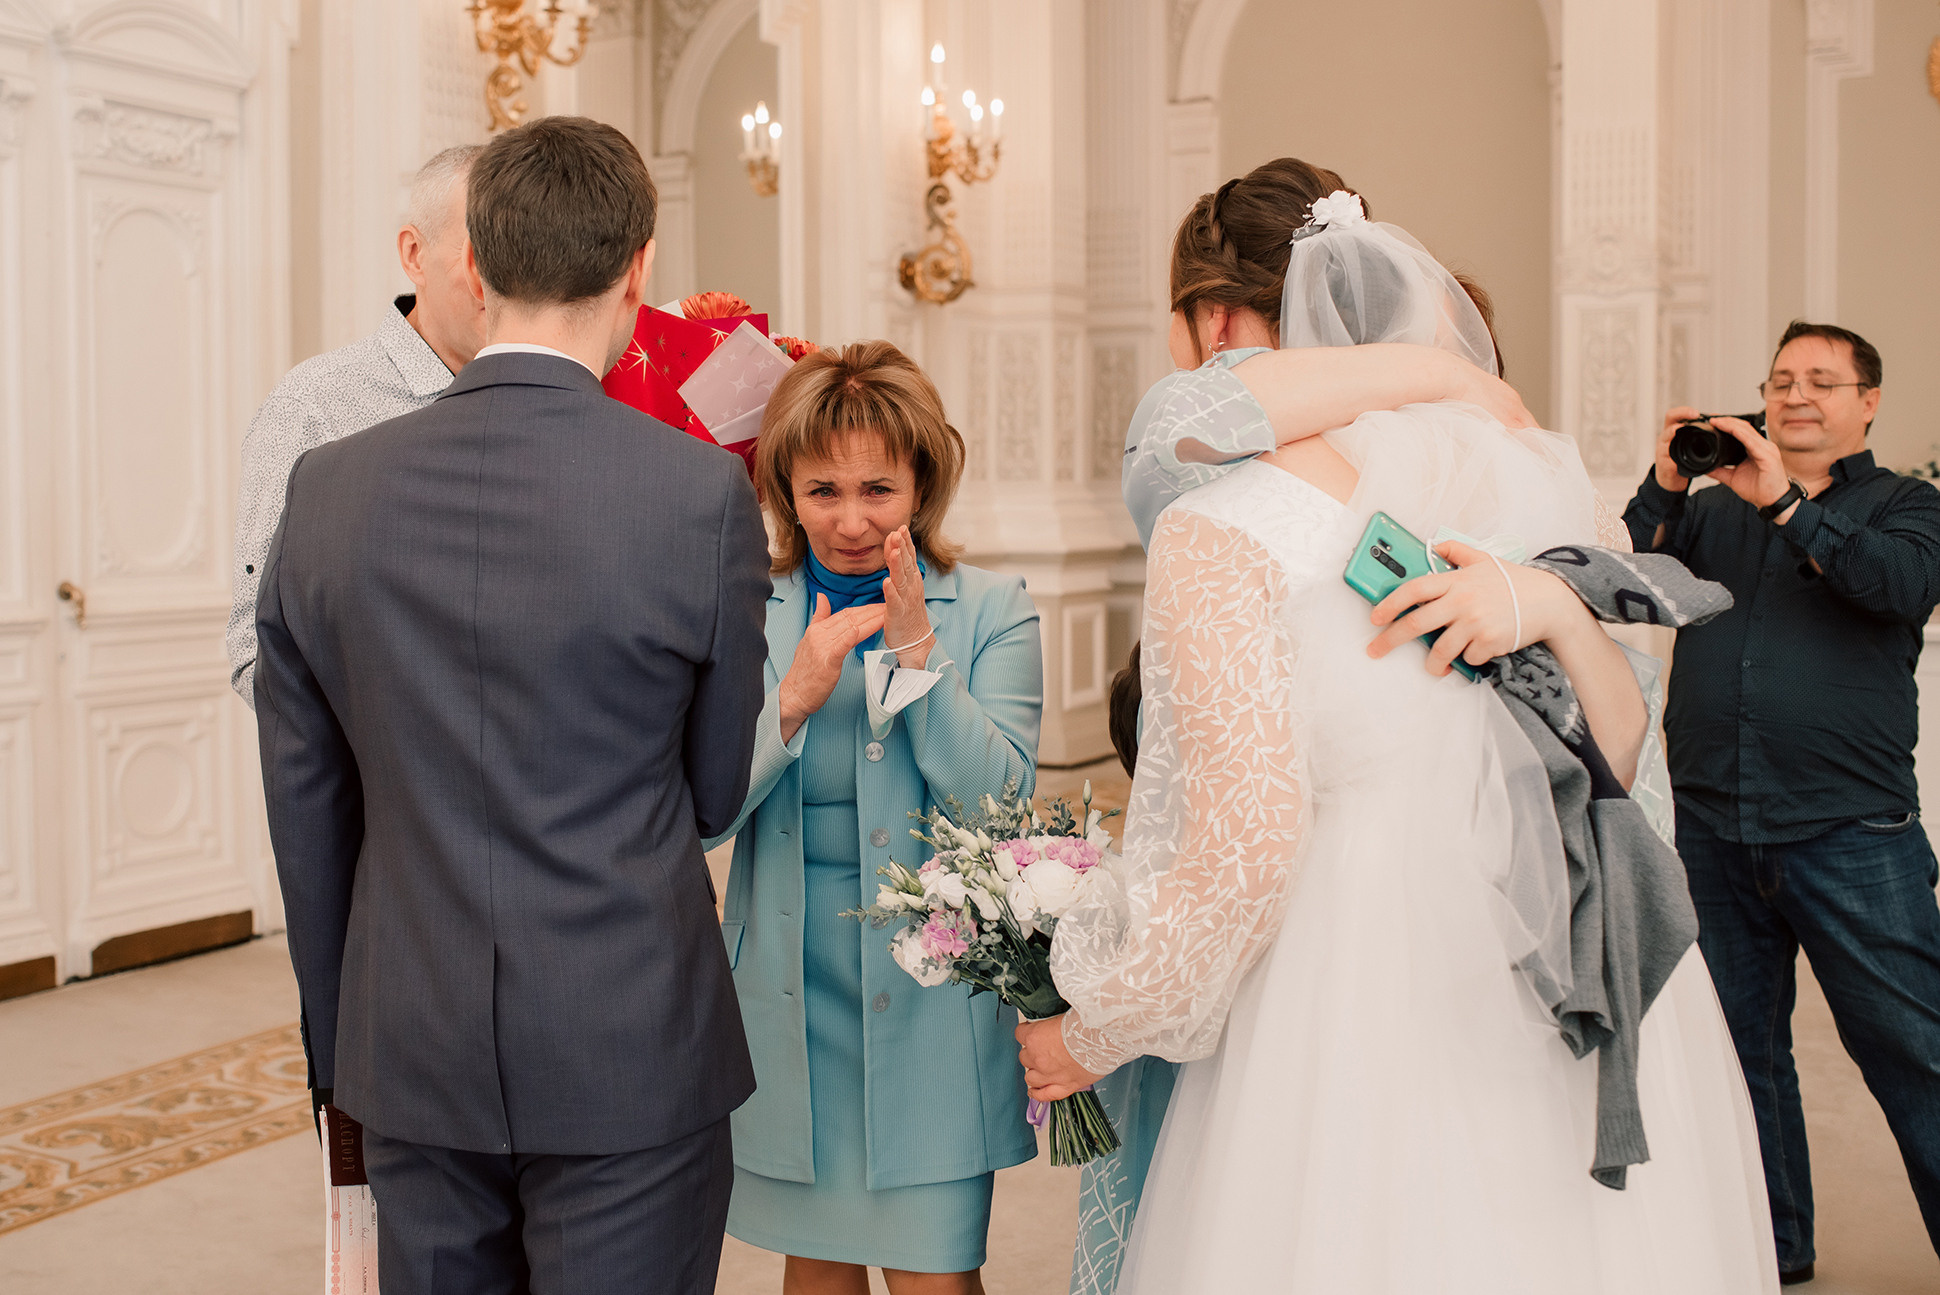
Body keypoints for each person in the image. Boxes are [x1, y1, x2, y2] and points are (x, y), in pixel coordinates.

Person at [1017, 180, 1780, 1294]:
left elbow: (1245, 854)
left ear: (1217, 324)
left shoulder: (1214, 523)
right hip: (1562, 951)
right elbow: (1623, 757)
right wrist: (1469, 394)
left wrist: (1094, 1031)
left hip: (1348, 980)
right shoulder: (1524, 484)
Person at [254, 116, 771, 1293]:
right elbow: (710, 791)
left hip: (405, 1040)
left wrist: (342, 1054)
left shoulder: (326, 489)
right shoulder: (697, 496)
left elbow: (307, 810)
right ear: (638, 266)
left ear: (475, 265)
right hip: (629, 1037)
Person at [707, 341, 1041, 1295]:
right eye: (823, 490)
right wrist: (792, 699)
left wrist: (919, 656)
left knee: (937, 1278)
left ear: (921, 485)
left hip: (935, 1007)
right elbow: (700, 817)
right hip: (788, 1000)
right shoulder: (743, 609)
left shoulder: (992, 610)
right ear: (785, 488)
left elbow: (1002, 810)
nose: (851, 521)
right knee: (816, 1272)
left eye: (878, 489)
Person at [1622, 321, 1940, 1283]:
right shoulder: (1714, 508)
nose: (1796, 394)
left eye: (1821, 380)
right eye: (1781, 379)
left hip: (1854, 830)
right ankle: (1775, 1253)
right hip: (1713, 826)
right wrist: (1667, 482)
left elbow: (1897, 585)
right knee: (1738, 1059)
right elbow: (1623, 573)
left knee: (1917, 1054)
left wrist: (1788, 506)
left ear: (1867, 401)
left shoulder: (1908, 504)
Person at [228, 143, 485, 703]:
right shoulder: (313, 406)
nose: (503, 279)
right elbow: (255, 647)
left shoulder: (556, 399)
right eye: (482, 250)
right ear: (414, 254)